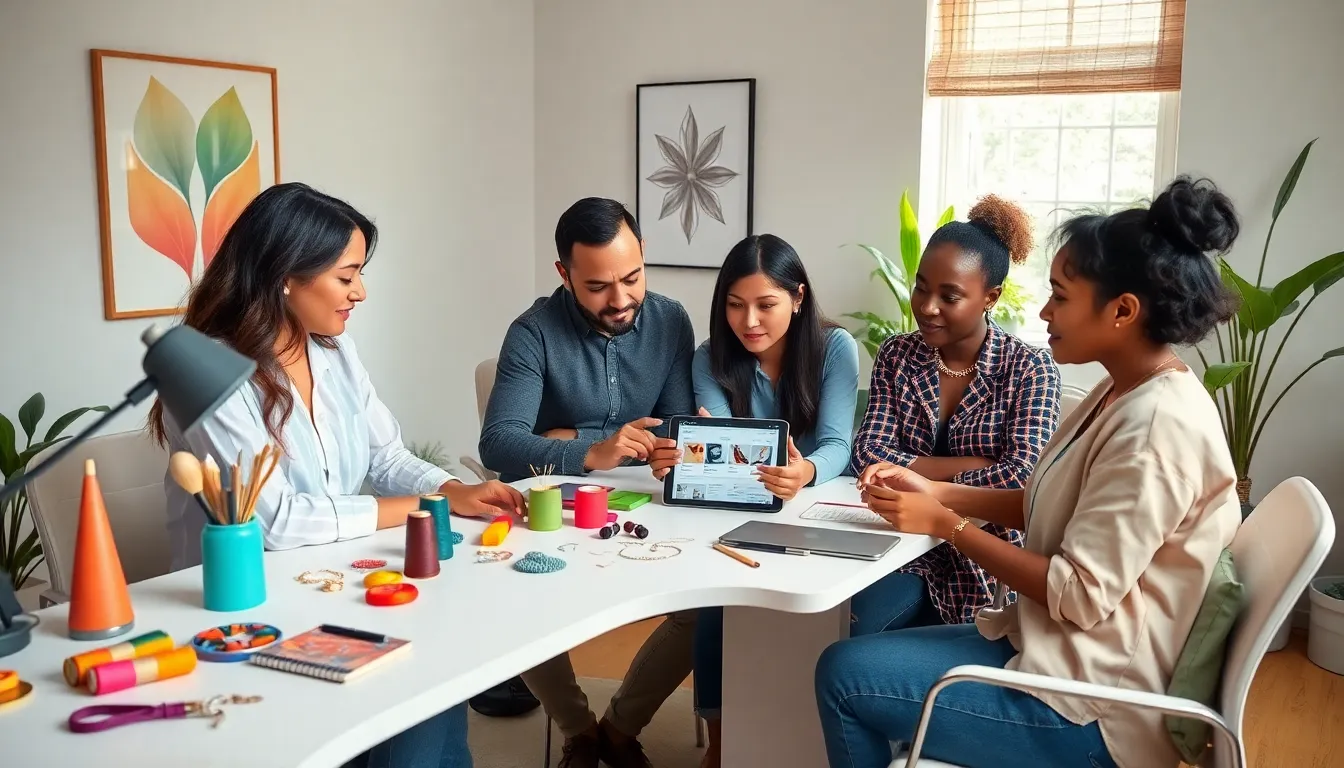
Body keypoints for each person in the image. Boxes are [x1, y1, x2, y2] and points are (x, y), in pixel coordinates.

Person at [814, 176, 1245, 768]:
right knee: (856, 652)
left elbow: (1077, 595)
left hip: (1090, 708)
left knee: (844, 678)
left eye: (1061, 297)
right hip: (1052, 650)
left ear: (1123, 310)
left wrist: (945, 523)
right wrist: (940, 492)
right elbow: (1042, 500)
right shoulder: (1123, 392)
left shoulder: (1153, 428)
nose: (1043, 312)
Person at [152, 182, 525, 768]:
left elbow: (385, 457)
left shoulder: (331, 351)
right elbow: (275, 522)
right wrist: (427, 507)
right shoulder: (209, 376)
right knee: (419, 675)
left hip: (325, 579)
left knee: (437, 666)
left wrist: (454, 490)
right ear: (286, 275)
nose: (361, 292)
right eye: (347, 276)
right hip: (244, 611)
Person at [477, 197, 696, 768]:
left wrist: (566, 434)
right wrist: (593, 450)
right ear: (564, 274)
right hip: (551, 509)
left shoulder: (671, 319)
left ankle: (621, 727)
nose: (620, 300)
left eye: (632, 277)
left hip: (647, 505)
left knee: (706, 608)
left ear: (645, 255)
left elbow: (676, 425)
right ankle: (578, 731)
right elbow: (498, 443)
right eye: (598, 286)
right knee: (518, 598)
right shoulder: (532, 333)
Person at [658, 234, 858, 767]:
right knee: (717, 604)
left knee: (802, 615)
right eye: (734, 304)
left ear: (797, 297)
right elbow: (717, 444)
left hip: (813, 507)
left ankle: (791, 732)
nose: (749, 321)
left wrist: (806, 469)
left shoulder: (835, 349)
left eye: (766, 305)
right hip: (737, 508)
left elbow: (839, 443)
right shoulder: (709, 357)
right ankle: (722, 742)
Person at [847, 195, 1062, 636]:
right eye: (922, 287)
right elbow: (868, 452)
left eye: (949, 295)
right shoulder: (897, 355)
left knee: (858, 632)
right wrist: (980, 466)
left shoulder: (1029, 368)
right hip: (897, 540)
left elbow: (1022, 479)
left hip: (982, 556)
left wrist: (921, 481)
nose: (926, 306)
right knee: (842, 618)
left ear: (990, 297)